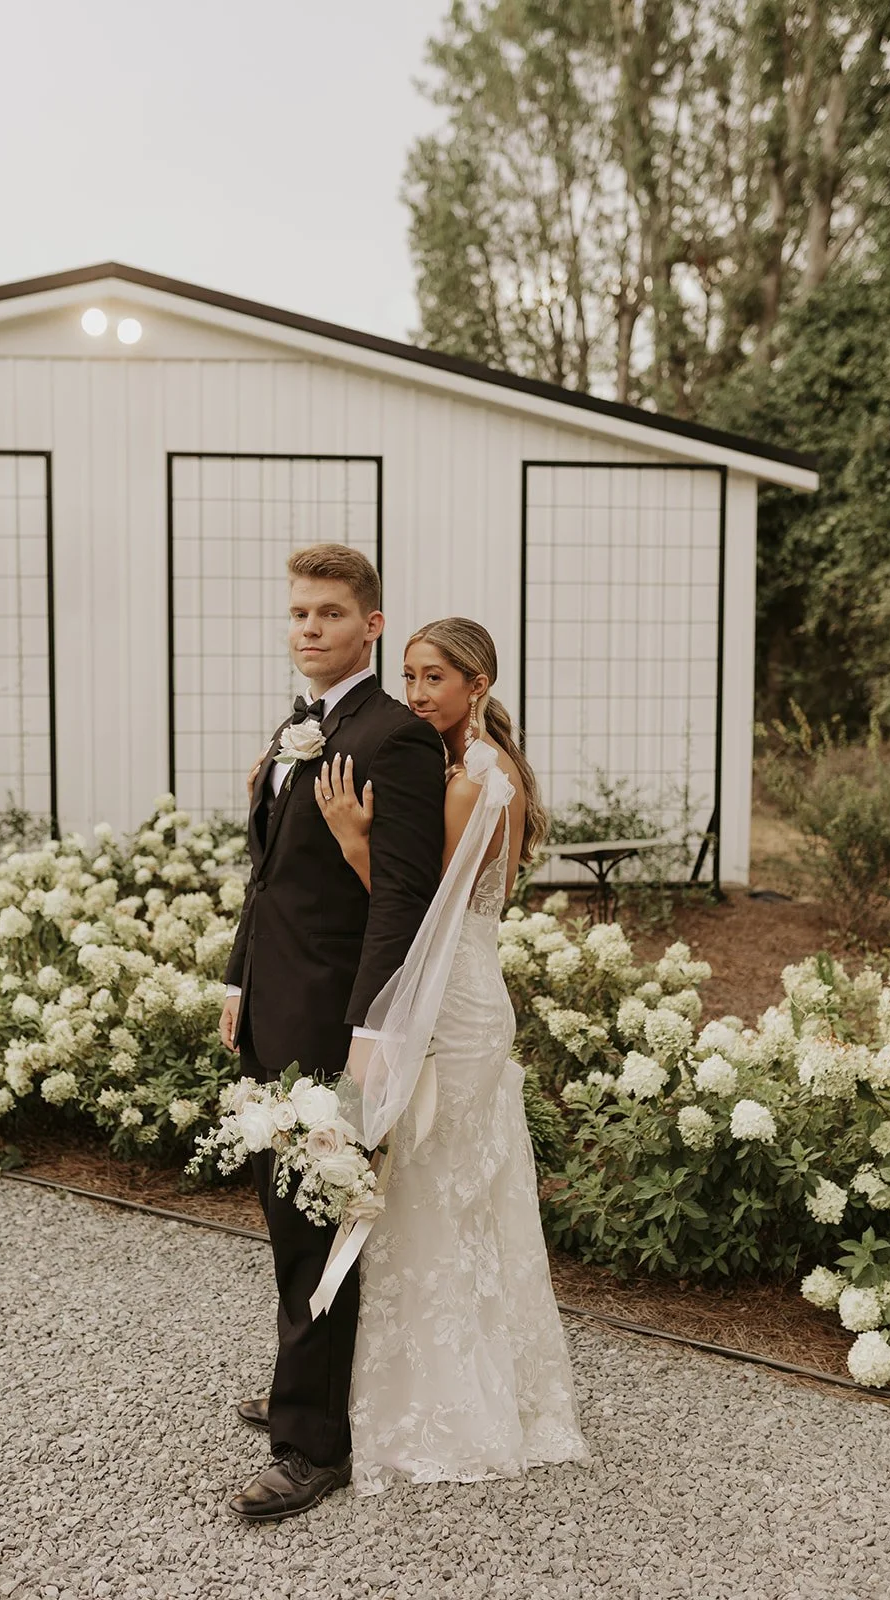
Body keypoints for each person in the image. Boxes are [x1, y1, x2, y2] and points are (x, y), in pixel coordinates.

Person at [314, 616, 589, 1494]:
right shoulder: (475, 765)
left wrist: (353, 841)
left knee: (433, 1189)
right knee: (453, 1193)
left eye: (434, 677)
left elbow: (422, 915)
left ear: (478, 684)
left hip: (453, 1001)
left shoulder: (473, 780)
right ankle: (453, 1383)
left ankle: (445, 1402)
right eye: (409, 675)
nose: (417, 693)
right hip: (461, 990)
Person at [219, 545, 447, 1521]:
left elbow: (402, 899)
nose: (308, 628)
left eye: (329, 613)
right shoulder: (296, 726)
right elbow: (266, 874)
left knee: (319, 1221)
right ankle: (303, 1383)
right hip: (273, 1004)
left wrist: (372, 1027)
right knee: (288, 1213)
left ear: (371, 625)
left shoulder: (396, 737)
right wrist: (236, 976)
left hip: (333, 1018)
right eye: (298, 613)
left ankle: (311, 1446)